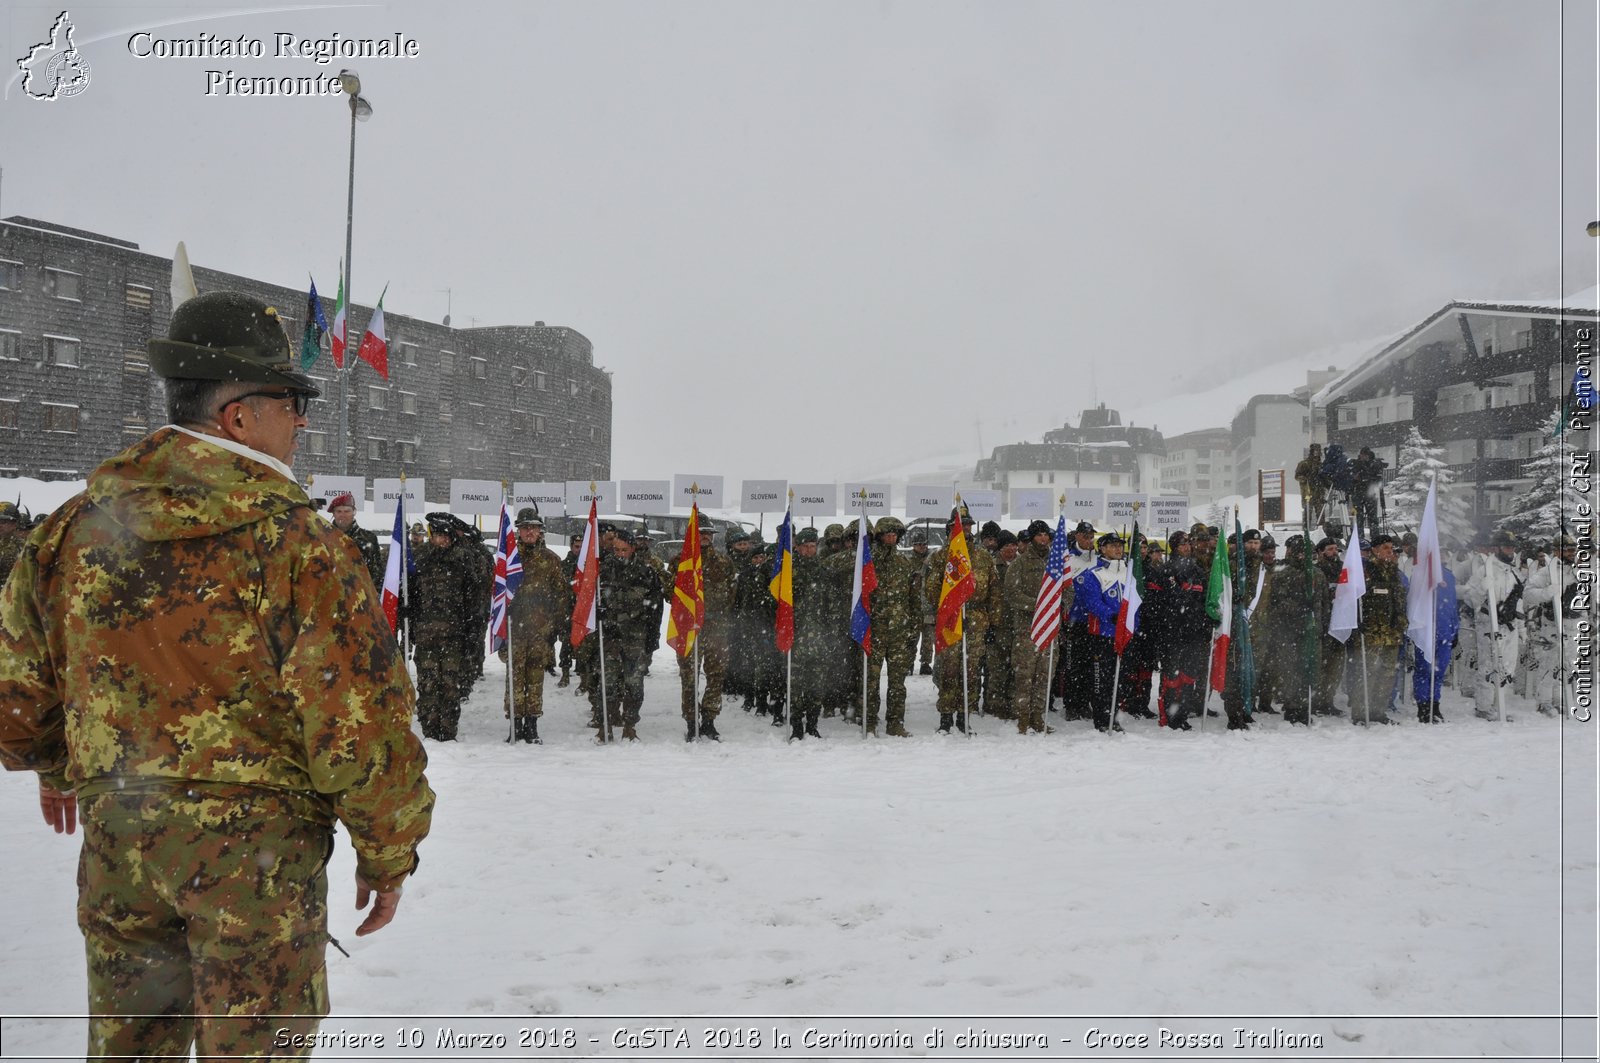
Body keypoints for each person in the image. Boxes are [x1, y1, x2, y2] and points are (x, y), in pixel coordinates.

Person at [0, 290, 433, 1060]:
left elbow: (14, 703)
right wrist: (388, 849)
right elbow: (360, 729)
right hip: (256, 868)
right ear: (238, 415)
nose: (301, 419)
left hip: (122, 849)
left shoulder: (70, 531)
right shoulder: (299, 545)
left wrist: (67, 764)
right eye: (291, 400)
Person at [501, 508, 569, 744]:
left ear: (541, 531)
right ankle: (514, 725)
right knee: (515, 677)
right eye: (524, 527)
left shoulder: (551, 560)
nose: (529, 532)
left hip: (540, 630)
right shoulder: (509, 559)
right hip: (514, 629)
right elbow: (497, 593)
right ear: (518, 531)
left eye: (533, 527)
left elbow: (561, 596)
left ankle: (531, 725)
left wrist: (557, 628)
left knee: (535, 677)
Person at [413, 512, 482, 740]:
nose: (440, 540)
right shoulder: (422, 559)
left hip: (453, 636)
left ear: (451, 538)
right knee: (428, 685)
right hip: (426, 635)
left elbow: (472, 598)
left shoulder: (462, 560)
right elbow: (412, 594)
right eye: (437, 536)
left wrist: (472, 629)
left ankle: (448, 730)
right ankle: (430, 730)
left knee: (450, 686)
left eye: (444, 536)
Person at [590, 529, 661, 741]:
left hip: (636, 637)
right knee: (607, 682)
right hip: (610, 636)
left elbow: (655, 607)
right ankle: (606, 724)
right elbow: (590, 600)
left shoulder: (646, 572)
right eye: (616, 549)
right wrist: (598, 614)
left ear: (633, 548)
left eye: (624, 549)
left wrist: (652, 638)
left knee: (634, 683)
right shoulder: (603, 570)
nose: (620, 553)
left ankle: (630, 725)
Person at [680, 521, 734, 741]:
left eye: (708, 534)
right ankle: (692, 722)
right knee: (689, 677)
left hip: (716, 628)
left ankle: (709, 720)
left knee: (716, 675)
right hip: (689, 628)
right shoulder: (680, 562)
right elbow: (670, 593)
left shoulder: (724, 561)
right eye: (701, 533)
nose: (705, 537)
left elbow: (732, 592)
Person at [1068, 531, 1126, 732]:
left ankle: (1114, 716)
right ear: (1102, 548)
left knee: (1120, 678)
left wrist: (1130, 623)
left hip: (1123, 635)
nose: (1118, 549)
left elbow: (1136, 602)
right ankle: (1102, 719)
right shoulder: (1094, 573)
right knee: (1102, 678)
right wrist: (1111, 615)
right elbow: (1092, 602)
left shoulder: (1128, 571)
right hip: (1102, 634)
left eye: (1120, 545)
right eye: (1112, 545)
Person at [865, 516, 918, 736]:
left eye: (895, 534)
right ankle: (869, 721)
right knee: (871, 681)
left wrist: (912, 627)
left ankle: (895, 722)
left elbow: (913, 599)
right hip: (875, 631)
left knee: (898, 683)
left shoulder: (904, 563)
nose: (892, 537)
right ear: (879, 536)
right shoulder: (868, 563)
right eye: (888, 533)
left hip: (898, 632)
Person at [1005, 520, 1056, 733]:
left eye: (1046, 535)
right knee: (1025, 676)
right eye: (1039, 535)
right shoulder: (1020, 564)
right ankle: (1023, 718)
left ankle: (1037, 716)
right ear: (1032, 538)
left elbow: (1067, 588)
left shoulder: (1056, 563)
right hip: (1028, 630)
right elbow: (1012, 594)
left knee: (1045, 676)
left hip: (1050, 629)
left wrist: (1061, 604)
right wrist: (1038, 606)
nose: (1043, 539)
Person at [328, 491, 385, 591]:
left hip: (362, 596)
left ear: (354, 512)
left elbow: (377, 572)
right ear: (333, 513)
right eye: (339, 511)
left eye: (347, 511)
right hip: (331, 596)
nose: (343, 515)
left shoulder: (369, 538)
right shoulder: (324, 537)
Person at [0, 500, 27, 591]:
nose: (0, 525)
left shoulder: (23, 546)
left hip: (10, 595)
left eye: (3, 522)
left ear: (14, 524)